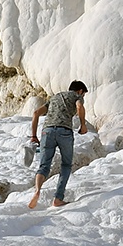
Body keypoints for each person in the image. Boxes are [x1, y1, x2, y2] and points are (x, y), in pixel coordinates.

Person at [27, 80, 89, 208]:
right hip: (64, 131)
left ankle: (37, 190)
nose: (83, 97)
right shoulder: (77, 97)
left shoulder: (55, 97)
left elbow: (36, 113)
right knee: (66, 165)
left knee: (44, 166)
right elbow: (79, 107)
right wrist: (83, 125)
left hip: (47, 131)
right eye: (83, 95)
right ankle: (58, 198)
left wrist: (34, 136)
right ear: (80, 91)